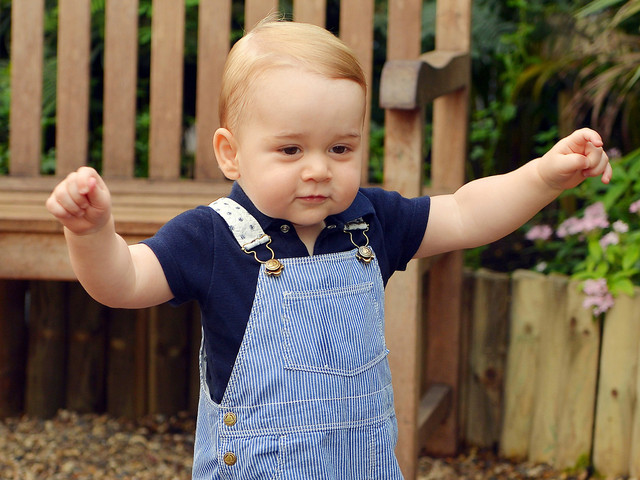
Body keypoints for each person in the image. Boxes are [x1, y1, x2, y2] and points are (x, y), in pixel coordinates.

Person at [46, 18, 612, 480]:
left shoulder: (370, 220)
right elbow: (121, 282)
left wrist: (543, 177)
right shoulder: (212, 237)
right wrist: (92, 234)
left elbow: (464, 213)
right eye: (290, 150)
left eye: (340, 148)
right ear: (231, 153)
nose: (319, 169)